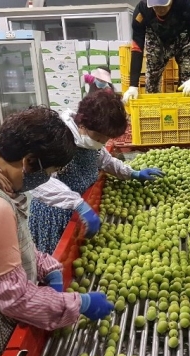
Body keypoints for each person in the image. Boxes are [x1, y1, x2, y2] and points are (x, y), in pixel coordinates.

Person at [0, 107, 113, 356]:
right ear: (29, 161)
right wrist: (79, 303)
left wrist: (44, 264)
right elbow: (14, 299)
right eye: (49, 172)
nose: (45, 180)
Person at [29, 91, 164, 254]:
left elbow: (105, 161)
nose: (102, 142)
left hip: (80, 208)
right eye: (99, 136)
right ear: (83, 125)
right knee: (53, 260)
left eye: (106, 139)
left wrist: (132, 173)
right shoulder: (59, 140)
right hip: (53, 213)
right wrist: (77, 204)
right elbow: (39, 182)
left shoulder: (89, 142)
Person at [122, 0, 190, 103]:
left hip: (182, 36)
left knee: (187, 82)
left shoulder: (185, 4)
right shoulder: (142, 10)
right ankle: (154, 113)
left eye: (163, 3)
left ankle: (182, 111)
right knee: (152, 83)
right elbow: (137, 48)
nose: (159, 8)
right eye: (155, 4)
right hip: (156, 38)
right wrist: (133, 86)